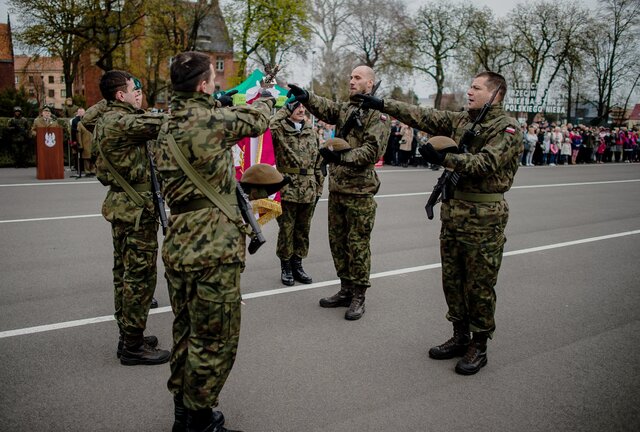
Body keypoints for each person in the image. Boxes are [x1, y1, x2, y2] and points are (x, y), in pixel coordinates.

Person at [354, 71, 522, 375]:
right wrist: (382, 104)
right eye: (470, 86)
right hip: (454, 212)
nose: (469, 91)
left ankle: (479, 345)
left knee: (480, 285)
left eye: (476, 88)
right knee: (453, 279)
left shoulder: (506, 128)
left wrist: (446, 158)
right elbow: (422, 115)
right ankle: (460, 336)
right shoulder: (462, 120)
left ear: (496, 94)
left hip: (484, 218)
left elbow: (485, 163)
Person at [155, 51, 276, 432]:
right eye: (213, 81)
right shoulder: (213, 119)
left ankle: (182, 413)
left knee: (185, 332)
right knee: (216, 339)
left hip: (179, 240)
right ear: (204, 85)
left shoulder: (162, 123)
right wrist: (270, 97)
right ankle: (201, 421)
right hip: (214, 246)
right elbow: (257, 119)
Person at [287, 65, 390, 321]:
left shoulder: (378, 115)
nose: (352, 81)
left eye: (358, 78)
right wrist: (308, 97)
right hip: (338, 189)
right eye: (351, 77)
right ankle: (345, 288)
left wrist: (340, 156)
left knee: (357, 245)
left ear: (370, 83)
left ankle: (359, 295)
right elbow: (329, 109)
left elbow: (371, 152)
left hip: (360, 191)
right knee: (338, 243)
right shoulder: (348, 108)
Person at [92, 70, 169, 366]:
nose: (137, 91)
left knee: (123, 274)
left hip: (123, 206)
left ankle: (129, 336)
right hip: (137, 210)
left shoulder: (106, 119)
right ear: (119, 95)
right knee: (139, 277)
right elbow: (163, 122)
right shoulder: (122, 121)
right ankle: (133, 347)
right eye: (131, 88)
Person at [269, 100, 324, 286]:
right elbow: (270, 125)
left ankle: (297, 265)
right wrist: (285, 106)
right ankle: (285, 267)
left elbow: (319, 162)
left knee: (303, 230)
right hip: (287, 187)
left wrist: (318, 188)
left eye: (303, 106)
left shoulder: (311, 131)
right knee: (286, 229)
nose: (301, 109)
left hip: (309, 188)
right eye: (296, 106)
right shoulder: (279, 129)